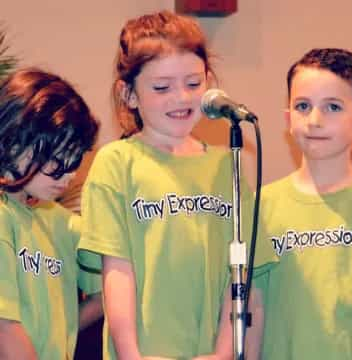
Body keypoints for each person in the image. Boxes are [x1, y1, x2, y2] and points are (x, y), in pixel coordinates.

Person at [77, 10, 265, 359]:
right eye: (162, 87)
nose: (181, 98)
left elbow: (239, 277)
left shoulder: (228, 164)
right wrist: (131, 354)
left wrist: (222, 354)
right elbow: (117, 271)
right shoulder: (117, 163)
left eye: (193, 84)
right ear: (129, 94)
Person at [255, 48, 352, 360]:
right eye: (303, 106)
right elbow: (253, 305)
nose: (315, 120)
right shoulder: (260, 207)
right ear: (288, 118)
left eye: (332, 107)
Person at [0, 68, 101, 359]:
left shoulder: (62, 222)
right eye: (58, 158)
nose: (68, 175)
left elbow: (107, 293)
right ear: (14, 138)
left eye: (75, 160)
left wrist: (60, 332)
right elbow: (5, 325)